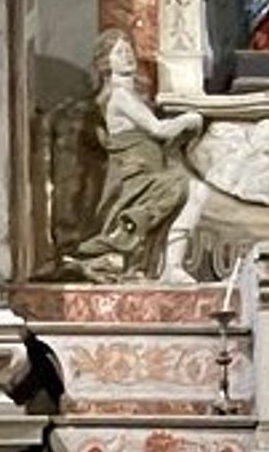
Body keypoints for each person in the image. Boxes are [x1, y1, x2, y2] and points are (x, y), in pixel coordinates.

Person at [69, 30, 209, 283]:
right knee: (196, 190)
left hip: (149, 170)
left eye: (129, 50)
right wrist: (190, 118)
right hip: (137, 177)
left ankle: (171, 266)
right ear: (105, 63)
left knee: (196, 192)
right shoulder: (121, 97)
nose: (128, 56)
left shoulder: (130, 96)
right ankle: (170, 266)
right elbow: (158, 129)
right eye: (119, 53)